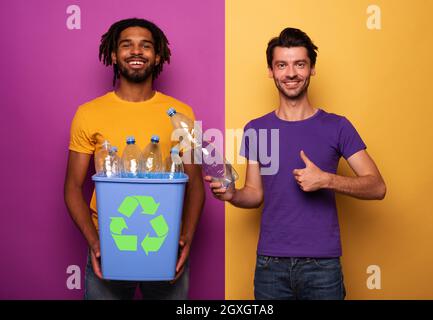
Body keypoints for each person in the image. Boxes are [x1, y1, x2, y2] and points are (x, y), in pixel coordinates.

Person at [205, 27, 386, 300]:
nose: (291, 73)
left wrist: (326, 179)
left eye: (300, 64)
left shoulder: (338, 126)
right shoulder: (256, 129)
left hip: (322, 266)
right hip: (270, 266)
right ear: (271, 70)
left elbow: (377, 187)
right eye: (282, 65)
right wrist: (232, 195)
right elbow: (254, 194)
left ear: (312, 69)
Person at [64, 18, 205, 300]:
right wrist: (95, 243)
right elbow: (72, 188)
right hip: (110, 244)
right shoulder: (89, 113)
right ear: (114, 55)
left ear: (158, 55)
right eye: (127, 45)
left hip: (165, 245)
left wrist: (186, 238)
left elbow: (196, 186)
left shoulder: (181, 113)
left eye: (146, 46)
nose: (137, 52)